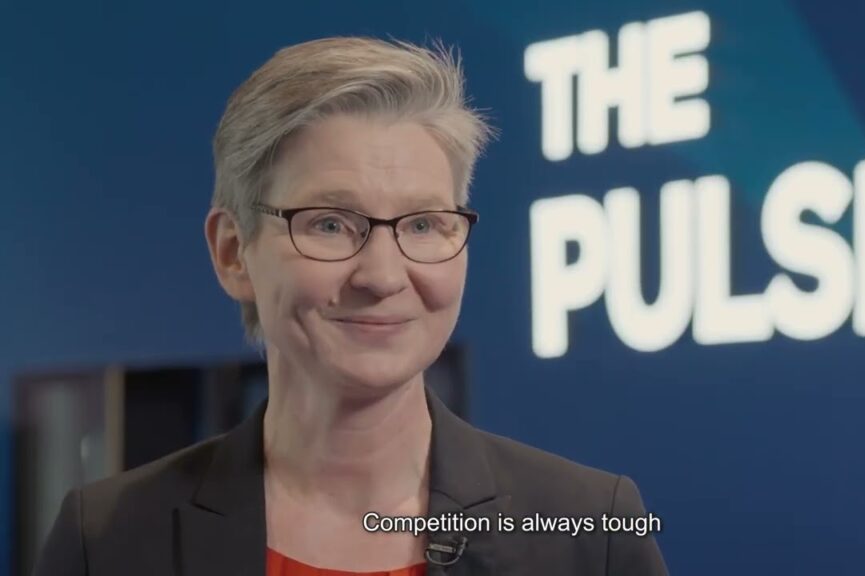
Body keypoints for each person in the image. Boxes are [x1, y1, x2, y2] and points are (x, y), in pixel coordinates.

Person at [32, 37, 668, 575]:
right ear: (233, 252)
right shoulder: (108, 540)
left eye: (423, 224)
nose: (383, 276)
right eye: (330, 224)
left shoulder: (591, 532)